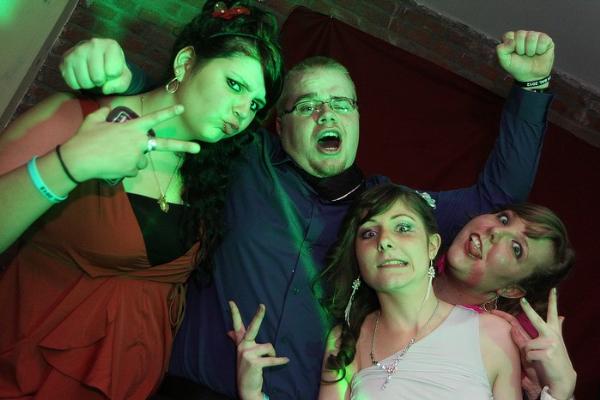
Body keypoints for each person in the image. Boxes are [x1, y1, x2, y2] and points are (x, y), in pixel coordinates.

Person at [59, 28, 555, 399]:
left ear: (357, 118)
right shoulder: (246, 158)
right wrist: (122, 77)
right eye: (308, 104)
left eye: (342, 103)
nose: (327, 114)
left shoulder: (389, 210)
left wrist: (533, 88)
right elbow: (186, 109)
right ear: (280, 123)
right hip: (188, 387)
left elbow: (497, 196)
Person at [0, 1, 283, 398]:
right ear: (186, 63)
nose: (242, 111)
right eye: (235, 85)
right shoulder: (78, 119)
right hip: (33, 375)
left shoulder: (211, 170)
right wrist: (68, 165)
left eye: (255, 104)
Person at [230, 185, 575, 399]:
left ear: (431, 245)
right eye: (369, 233)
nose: (385, 242)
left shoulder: (499, 335)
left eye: (404, 228)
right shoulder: (345, 339)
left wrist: (560, 392)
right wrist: (252, 393)